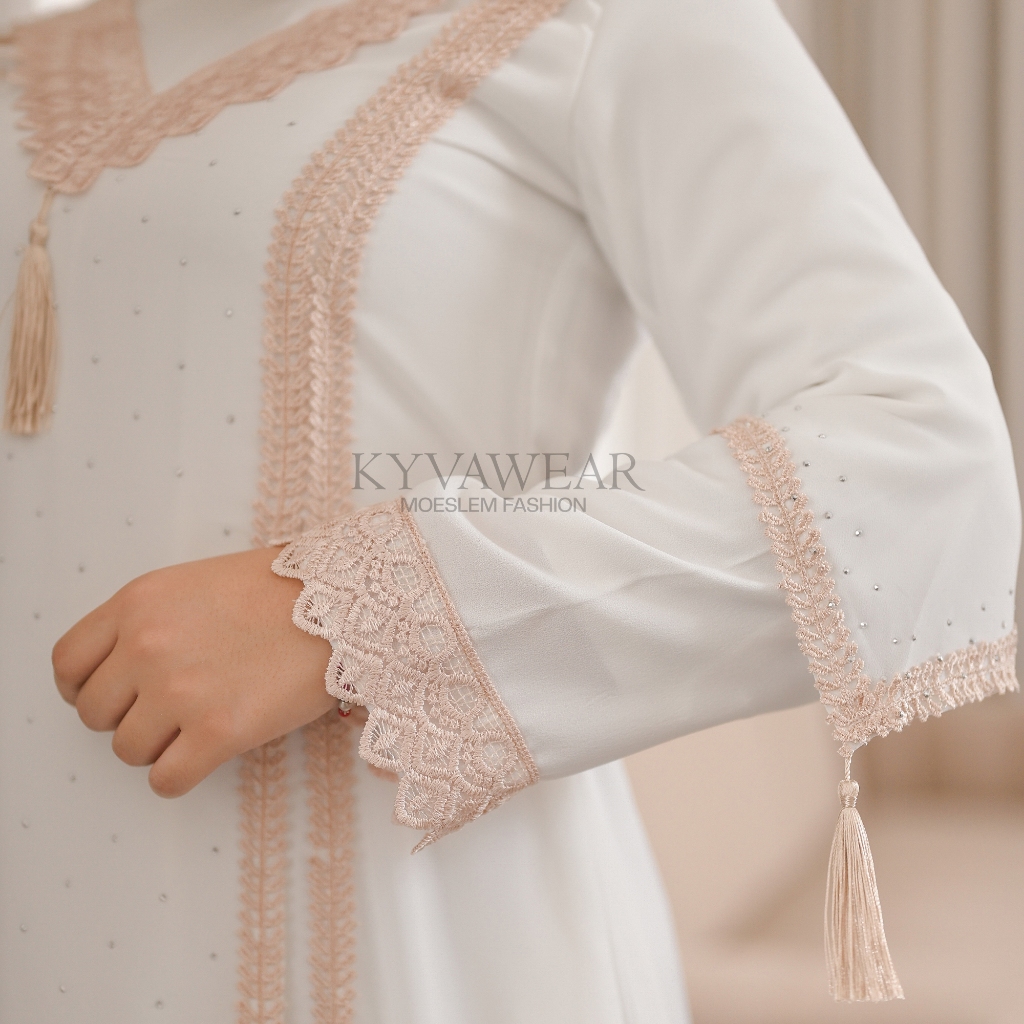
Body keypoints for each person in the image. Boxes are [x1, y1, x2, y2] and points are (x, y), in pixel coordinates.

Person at [1, 0, 1017, 1019]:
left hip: (418, 959)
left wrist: (342, 617)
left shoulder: (611, 21)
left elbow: (921, 468)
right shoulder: (27, 54)